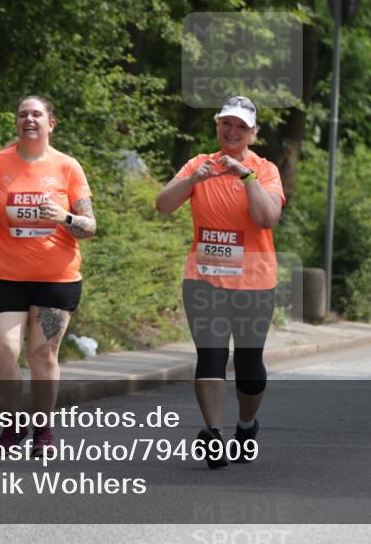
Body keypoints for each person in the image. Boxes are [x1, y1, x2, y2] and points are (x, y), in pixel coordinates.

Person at [156, 95, 285, 469]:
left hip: (254, 284)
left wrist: (245, 176)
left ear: (253, 133)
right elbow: (163, 205)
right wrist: (194, 179)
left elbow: (266, 218)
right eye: (227, 123)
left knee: (249, 366)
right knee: (210, 357)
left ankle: (245, 425)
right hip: (204, 281)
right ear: (217, 126)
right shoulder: (199, 164)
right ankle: (214, 433)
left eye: (241, 126)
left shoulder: (264, 170)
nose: (232, 131)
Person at [0, 95, 96, 456]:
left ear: (51, 123)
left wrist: (64, 217)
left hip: (56, 279)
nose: (29, 119)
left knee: (42, 353)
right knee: (1, 350)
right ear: (16, 122)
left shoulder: (68, 167)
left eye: (36, 114)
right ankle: (13, 422)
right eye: (23, 114)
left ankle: (43, 430)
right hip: (5, 276)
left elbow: (89, 226)